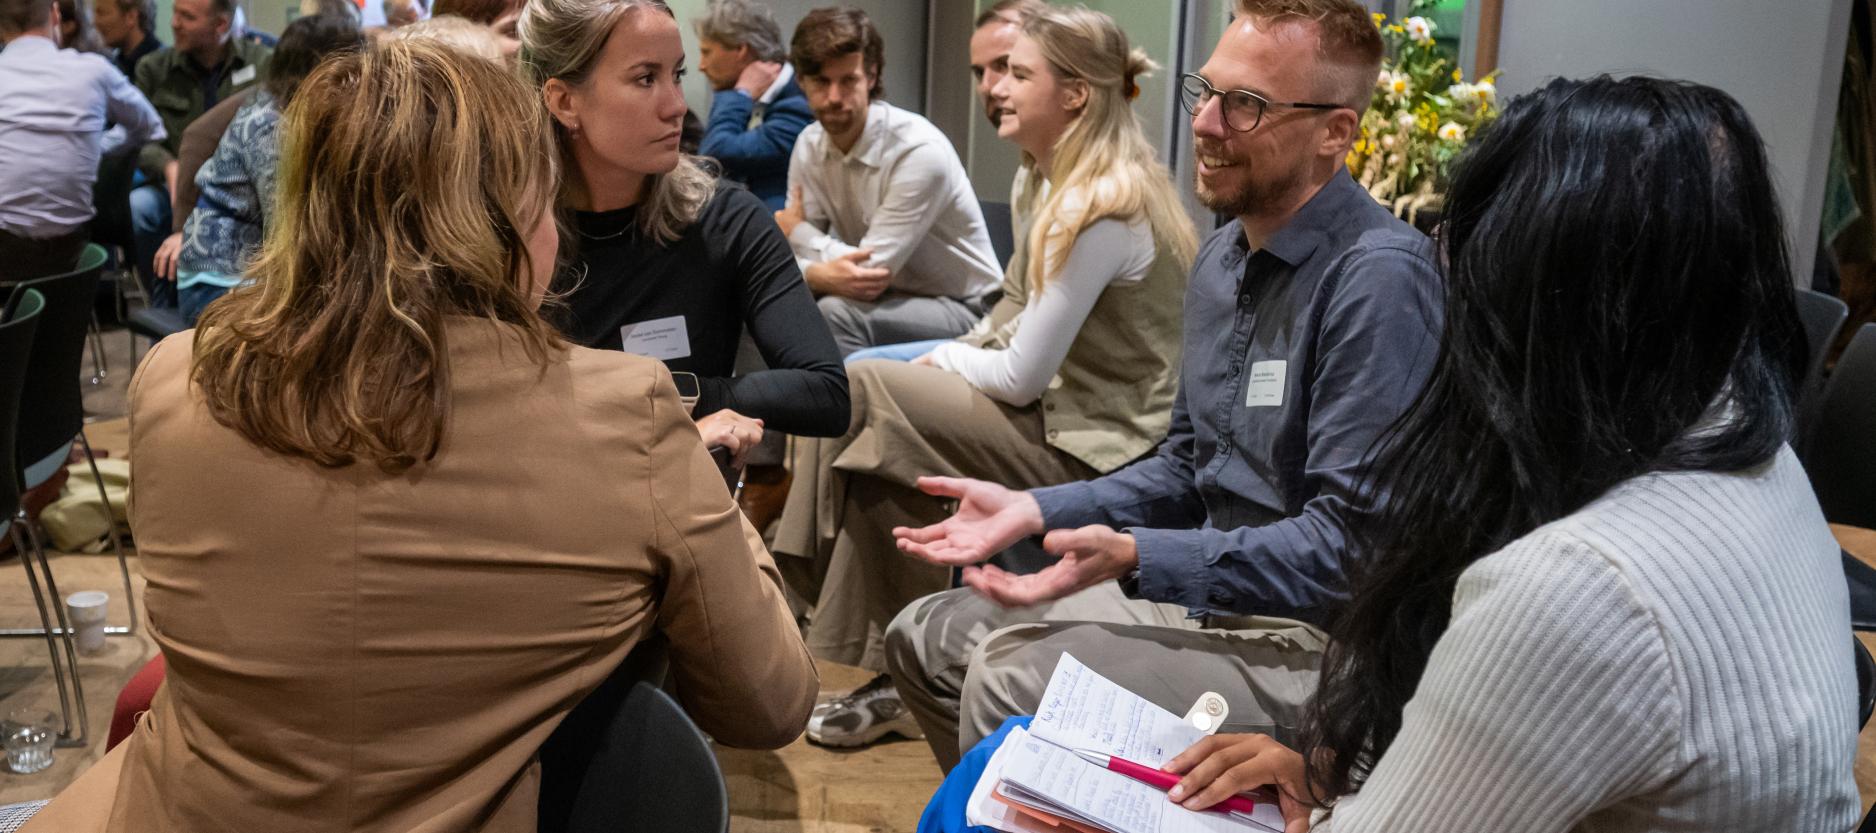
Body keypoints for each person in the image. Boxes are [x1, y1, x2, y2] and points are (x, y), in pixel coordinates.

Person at [20, 38, 815, 833]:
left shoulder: (172, 380)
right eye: (545, 202)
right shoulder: (628, 413)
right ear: (499, 221)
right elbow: (770, 699)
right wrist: (710, 505)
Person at [1156, 75, 1861, 833]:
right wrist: (1341, 778)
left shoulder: (1581, 588)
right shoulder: (1754, 460)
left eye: (1460, 247)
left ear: (1526, 291)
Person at [886, 0, 1442, 771]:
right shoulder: (1222, 260)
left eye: (1246, 105)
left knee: (1011, 678)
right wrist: (1033, 508)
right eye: (1206, 92)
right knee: (925, 635)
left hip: (1322, 645)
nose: (1206, 124)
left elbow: (1352, 548)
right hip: (1211, 601)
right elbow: (1185, 465)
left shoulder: (1378, 279)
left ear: (1334, 133)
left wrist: (1142, 553)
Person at [778, 3, 1198, 750]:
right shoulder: (1048, 177)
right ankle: (879, 662)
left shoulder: (1102, 203)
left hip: (1102, 447)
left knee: (866, 386)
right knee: (880, 440)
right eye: (991, 72)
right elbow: (1006, 311)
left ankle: (802, 592)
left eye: (1015, 72)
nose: (995, 86)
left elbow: (1020, 375)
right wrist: (954, 359)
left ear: (1074, 94)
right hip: (1055, 413)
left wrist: (944, 360)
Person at [522, 0, 849, 454]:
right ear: (564, 101)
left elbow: (826, 394)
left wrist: (676, 392)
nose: (676, 106)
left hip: (677, 506)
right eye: (645, 79)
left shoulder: (724, 218)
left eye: (676, 75)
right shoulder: (514, 228)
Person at [775, 6, 1001, 357]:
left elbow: (867, 274)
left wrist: (798, 232)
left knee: (837, 314)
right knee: (767, 303)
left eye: (848, 80)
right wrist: (814, 272)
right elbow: (793, 256)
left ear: (871, 75)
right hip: (889, 299)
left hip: (969, 308)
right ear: (802, 81)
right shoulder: (809, 144)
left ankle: (842, 413)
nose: (834, 97)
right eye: (821, 81)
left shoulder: (917, 150)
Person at [171, 13, 363, 324]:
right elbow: (285, 232)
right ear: (323, 69)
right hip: (219, 282)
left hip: (249, 273)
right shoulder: (270, 127)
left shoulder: (281, 108)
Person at [0, 0, 164, 280]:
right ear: (54, 14)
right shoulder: (94, 71)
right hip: (72, 259)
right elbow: (151, 127)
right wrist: (99, 146)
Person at [129, 0, 270, 309]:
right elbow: (141, 140)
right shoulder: (152, 69)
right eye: (176, 12)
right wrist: (168, 166)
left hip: (237, 194)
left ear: (220, 25)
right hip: (171, 184)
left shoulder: (262, 64)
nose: (174, 23)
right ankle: (163, 304)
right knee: (140, 208)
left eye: (187, 16)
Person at [692, 0, 809, 210]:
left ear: (740, 49)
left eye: (707, 52)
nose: (701, 65)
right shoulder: (741, 97)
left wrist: (740, 94)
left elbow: (715, 154)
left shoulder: (800, 103)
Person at [91, 0, 160, 77]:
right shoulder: (113, 66)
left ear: (131, 17)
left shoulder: (162, 70)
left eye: (102, 13)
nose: (95, 22)